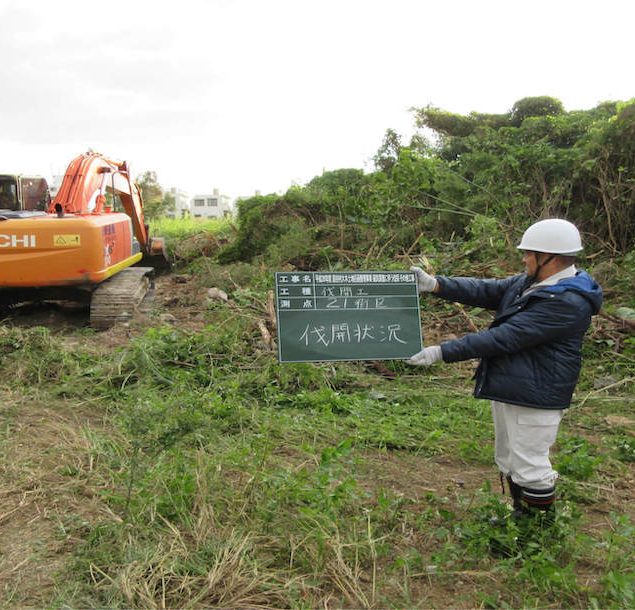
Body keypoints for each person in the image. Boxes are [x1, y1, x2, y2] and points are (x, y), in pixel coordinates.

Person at [407, 218, 603, 523]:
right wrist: (436, 284)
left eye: (528, 253)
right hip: (514, 385)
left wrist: (441, 351)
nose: (523, 259)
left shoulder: (568, 301)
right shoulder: (535, 282)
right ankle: (518, 520)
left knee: (530, 464)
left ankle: (535, 535)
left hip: (537, 393)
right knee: (509, 457)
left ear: (549, 258)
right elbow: (488, 290)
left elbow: (505, 337)